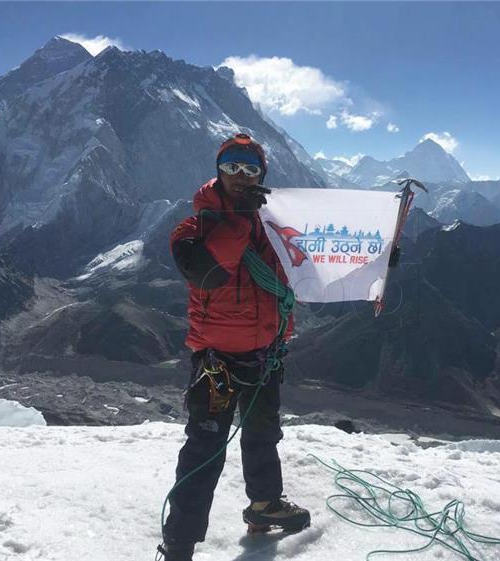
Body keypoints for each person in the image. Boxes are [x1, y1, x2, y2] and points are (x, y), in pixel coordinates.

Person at [158, 133, 310, 561]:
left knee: (263, 435)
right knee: (204, 452)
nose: (241, 176)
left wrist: (375, 257)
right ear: (217, 171)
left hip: (265, 353)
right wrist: (242, 220)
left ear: (262, 175)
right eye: (232, 166)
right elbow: (206, 273)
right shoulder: (193, 228)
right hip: (216, 361)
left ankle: (263, 507)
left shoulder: (275, 227)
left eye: (250, 168)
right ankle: (179, 544)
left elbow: (310, 264)